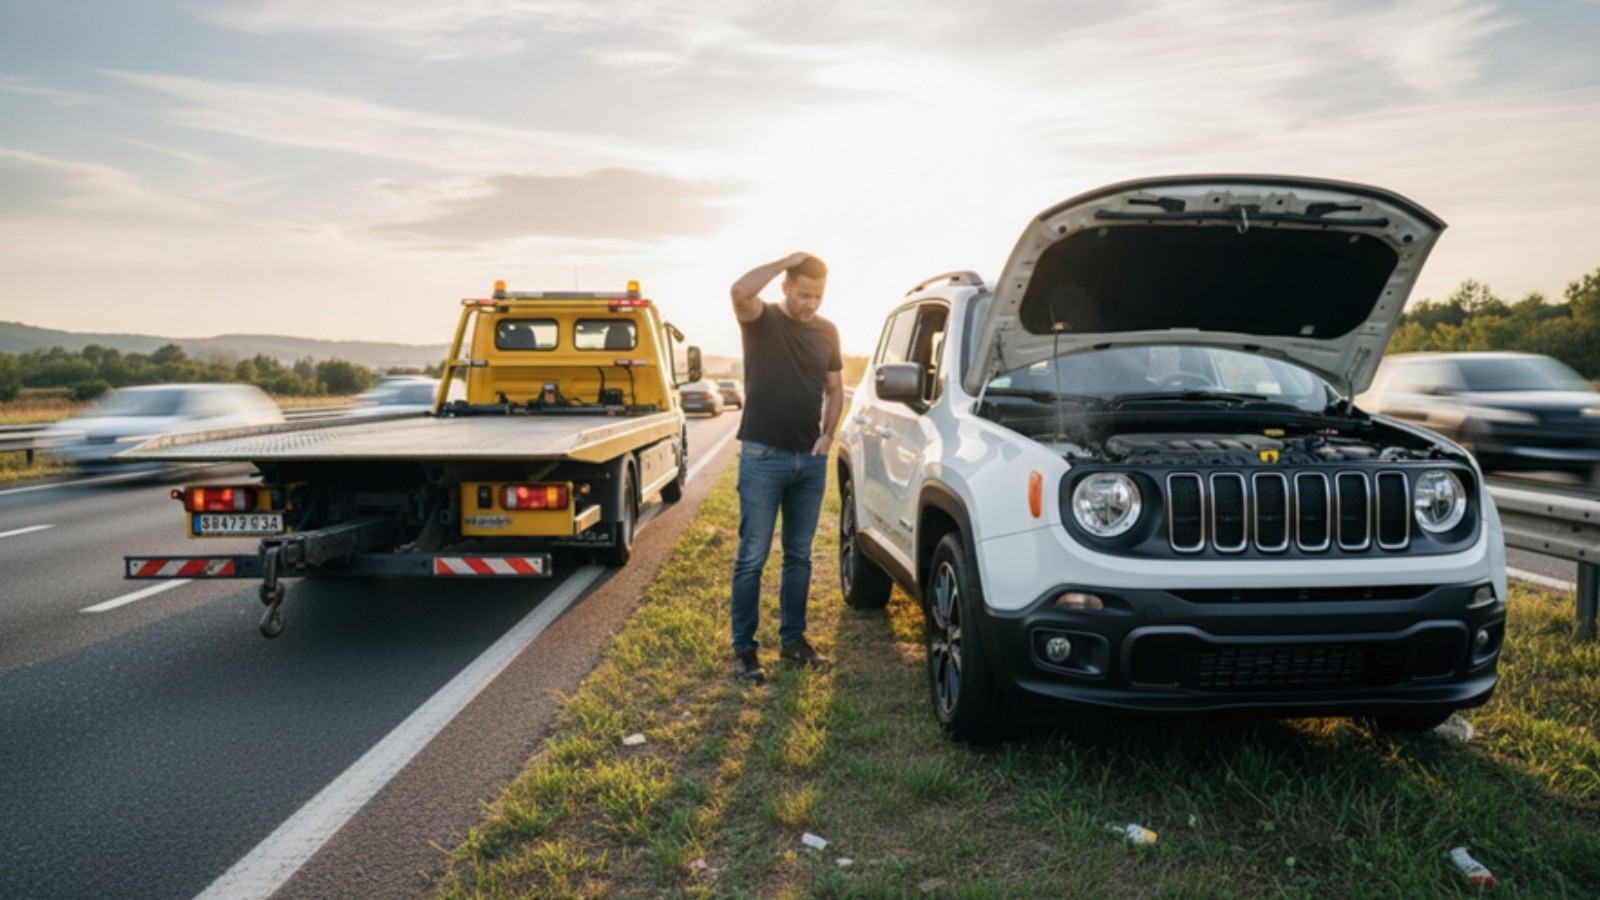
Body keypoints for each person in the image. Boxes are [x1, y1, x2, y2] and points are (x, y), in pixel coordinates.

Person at [727, 251, 844, 683]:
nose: (810, 303)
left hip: (808, 461)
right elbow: (740, 290)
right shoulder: (762, 319)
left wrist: (827, 435)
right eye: (803, 294)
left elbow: (835, 390)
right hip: (762, 457)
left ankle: (793, 643)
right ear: (786, 287)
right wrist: (785, 260)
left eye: (817, 296)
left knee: (799, 556)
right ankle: (745, 652)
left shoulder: (827, 331)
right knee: (752, 558)